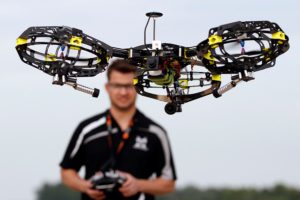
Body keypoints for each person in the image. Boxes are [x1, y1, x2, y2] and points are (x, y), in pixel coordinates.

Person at [60, 59, 177, 200]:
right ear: (108, 87)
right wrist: (86, 186)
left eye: (128, 86)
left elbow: (168, 182)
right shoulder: (87, 129)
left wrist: (138, 185)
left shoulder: (155, 132)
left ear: (137, 87)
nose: (123, 92)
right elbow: (66, 172)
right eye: (117, 86)